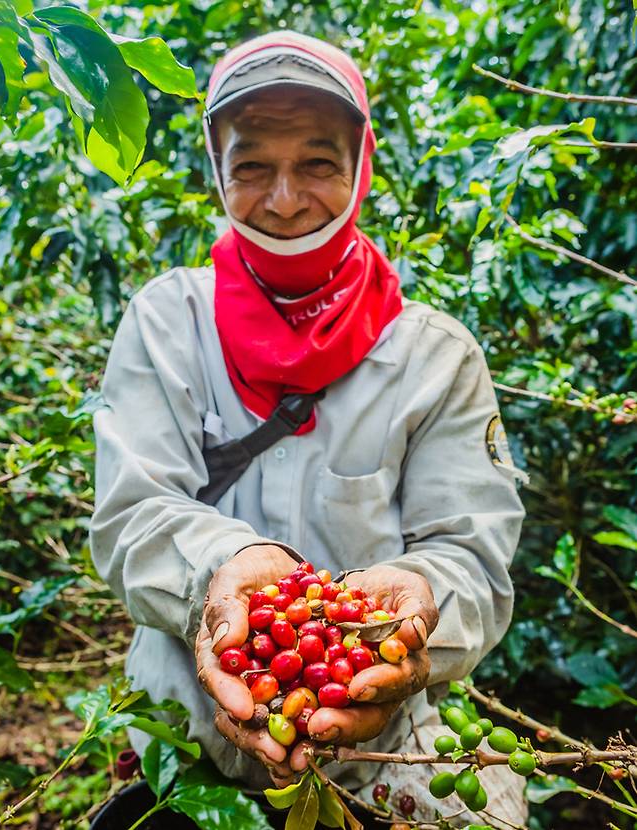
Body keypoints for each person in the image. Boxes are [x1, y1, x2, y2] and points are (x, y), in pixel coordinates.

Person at [90, 30, 528, 827]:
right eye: (252, 165)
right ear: (216, 170)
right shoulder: (165, 323)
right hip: (185, 744)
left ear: (359, 168)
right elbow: (131, 514)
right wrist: (227, 566)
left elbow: (472, 554)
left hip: (380, 758)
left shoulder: (433, 356)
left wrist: (420, 600)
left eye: (318, 164)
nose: (286, 199)